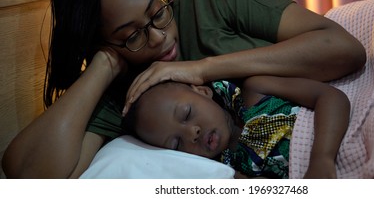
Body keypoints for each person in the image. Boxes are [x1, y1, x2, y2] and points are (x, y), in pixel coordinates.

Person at [2, 0, 366, 178]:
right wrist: (104, 66)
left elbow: (344, 49)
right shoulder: (126, 93)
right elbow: (28, 178)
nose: (160, 36)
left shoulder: (209, 0)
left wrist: (202, 67)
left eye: (156, 11)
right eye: (131, 35)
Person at [123, 76, 350, 179]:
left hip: (337, 144)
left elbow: (330, 97)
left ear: (202, 91)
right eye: (176, 143)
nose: (192, 133)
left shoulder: (256, 90)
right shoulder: (228, 172)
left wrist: (322, 159)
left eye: (187, 114)